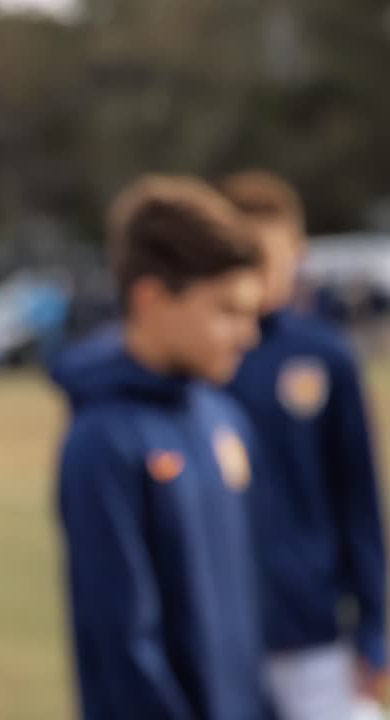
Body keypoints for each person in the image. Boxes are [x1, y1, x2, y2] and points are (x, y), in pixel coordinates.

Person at [51, 175, 273, 719]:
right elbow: (123, 643)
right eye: (225, 311)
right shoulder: (103, 442)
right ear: (151, 299)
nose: (247, 335)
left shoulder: (223, 417)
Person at [220, 170, 387, 720]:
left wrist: (374, 627)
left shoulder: (325, 356)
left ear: (297, 253)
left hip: (314, 629)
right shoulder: (201, 363)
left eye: (263, 253)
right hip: (223, 630)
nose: (252, 272)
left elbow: (358, 495)